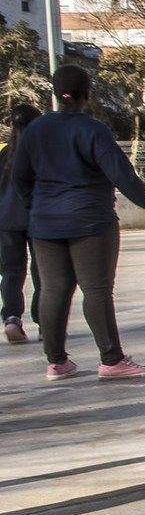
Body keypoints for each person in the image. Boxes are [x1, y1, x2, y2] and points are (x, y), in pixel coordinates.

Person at [10, 65, 145, 379]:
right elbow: (123, 177)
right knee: (97, 290)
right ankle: (111, 360)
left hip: (44, 223)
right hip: (90, 221)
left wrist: (37, 207)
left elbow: (19, 177)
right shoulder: (92, 130)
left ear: (56, 94)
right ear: (88, 94)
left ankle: (57, 362)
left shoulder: (36, 130)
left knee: (53, 290)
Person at [2, 103, 40, 346]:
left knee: (11, 272)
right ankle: (46, 322)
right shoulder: (41, 152)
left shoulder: (4, 153)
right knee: (44, 273)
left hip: (6, 219)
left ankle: (12, 318)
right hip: (38, 218)